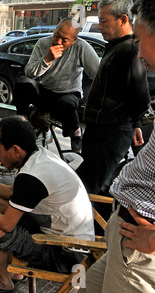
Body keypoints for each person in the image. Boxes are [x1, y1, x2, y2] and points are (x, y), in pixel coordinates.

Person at [0, 116, 95, 291]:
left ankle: (3, 281)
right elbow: (11, 193)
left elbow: (6, 224)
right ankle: (14, 272)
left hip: (67, 254)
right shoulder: (40, 156)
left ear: (15, 150)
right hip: (64, 233)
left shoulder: (31, 177)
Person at [76, 0, 155, 293]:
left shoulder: (127, 50)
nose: (138, 43)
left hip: (139, 246)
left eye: (142, 33)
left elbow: (137, 90)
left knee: (93, 180)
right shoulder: (118, 48)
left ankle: (85, 237)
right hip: (124, 236)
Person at [76, 0, 150, 197]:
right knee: (92, 184)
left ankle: (96, 228)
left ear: (123, 19)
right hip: (99, 130)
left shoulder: (129, 50)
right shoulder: (115, 46)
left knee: (94, 189)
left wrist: (136, 122)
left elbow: (140, 95)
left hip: (111, 132)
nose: (100, 27)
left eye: (103, 21)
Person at [14, 17, 100, 152]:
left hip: (69, 93)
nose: (58, 41)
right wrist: (47, 59)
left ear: (73, 40)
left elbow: (97, 74)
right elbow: (29, 73)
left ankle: (76, 132)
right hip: (45, 90)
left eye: (64, 40)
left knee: (66, 103)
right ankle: (23, 122)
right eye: (56, 35)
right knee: (22, 82)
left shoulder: (81, 47)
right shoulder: (43, 43)